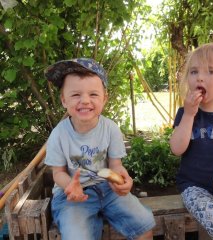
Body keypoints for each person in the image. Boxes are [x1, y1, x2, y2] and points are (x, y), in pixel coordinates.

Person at [44, 58, 155, 240]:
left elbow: (115, 165)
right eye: (75, 95)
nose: (85, 101)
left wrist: (122, 178)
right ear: (64, 100)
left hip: (108, 189)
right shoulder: (59, 134)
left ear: (105, 98)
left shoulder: (110, 128)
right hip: (72, 195)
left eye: (93, 94)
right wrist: (70, 185)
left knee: (144, 224)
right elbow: (58, 173)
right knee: (77, 236)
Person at [169, 43, 213, 240]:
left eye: (210, 71)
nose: (200, 77)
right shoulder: (186, 114)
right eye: (194, 72)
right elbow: (176, 148)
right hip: (196, 187)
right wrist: (190, 115)